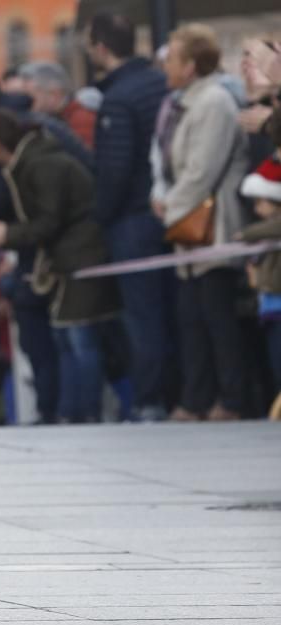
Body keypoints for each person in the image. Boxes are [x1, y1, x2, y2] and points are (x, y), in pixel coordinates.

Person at [0, 110, 121, 423]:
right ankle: (72, 413)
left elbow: (48, 221)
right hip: (65, 257)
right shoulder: (30, 163)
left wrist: (6, 234)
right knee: (67, 338)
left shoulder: (41, 164)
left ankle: (86, 414)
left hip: (81, 255)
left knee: (79, 339)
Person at [152, 25, 249, 422]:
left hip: (213, 227)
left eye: (173, 60)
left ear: (190, 66)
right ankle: (196, 398)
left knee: (218, 319)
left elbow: (201, 171)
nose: (166, 67)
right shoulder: (187, 102)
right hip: (191, 230)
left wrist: (169, 207)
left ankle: (232, 399)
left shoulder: (213, 102)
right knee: (192, 319)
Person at [86, 11, 176, 421]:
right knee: (171, 312)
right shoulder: (159, 83)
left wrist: (101, 216)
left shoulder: (118, 98)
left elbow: (116, 169)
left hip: (132, 221)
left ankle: (149, 401)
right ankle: (175, 395)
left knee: (142, 318)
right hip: (166, 213)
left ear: (100, 48)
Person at [239, 143, 281, 419]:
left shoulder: (271, 228)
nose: (256, 208)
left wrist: (245, 234)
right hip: (269, 305)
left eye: (260, 201)